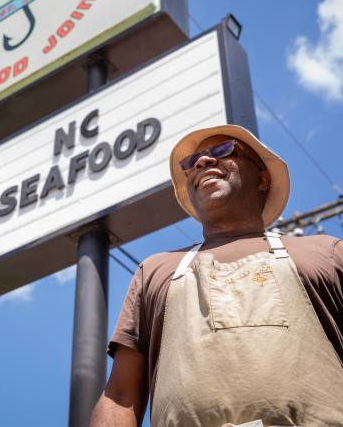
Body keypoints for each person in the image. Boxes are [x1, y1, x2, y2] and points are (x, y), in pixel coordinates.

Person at [89, 124, 343, 427]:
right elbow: (120, 394)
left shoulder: (327, 252)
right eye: (192, 162)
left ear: (262, 179)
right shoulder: (155, 269)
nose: (202, 162)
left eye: (223, 151)